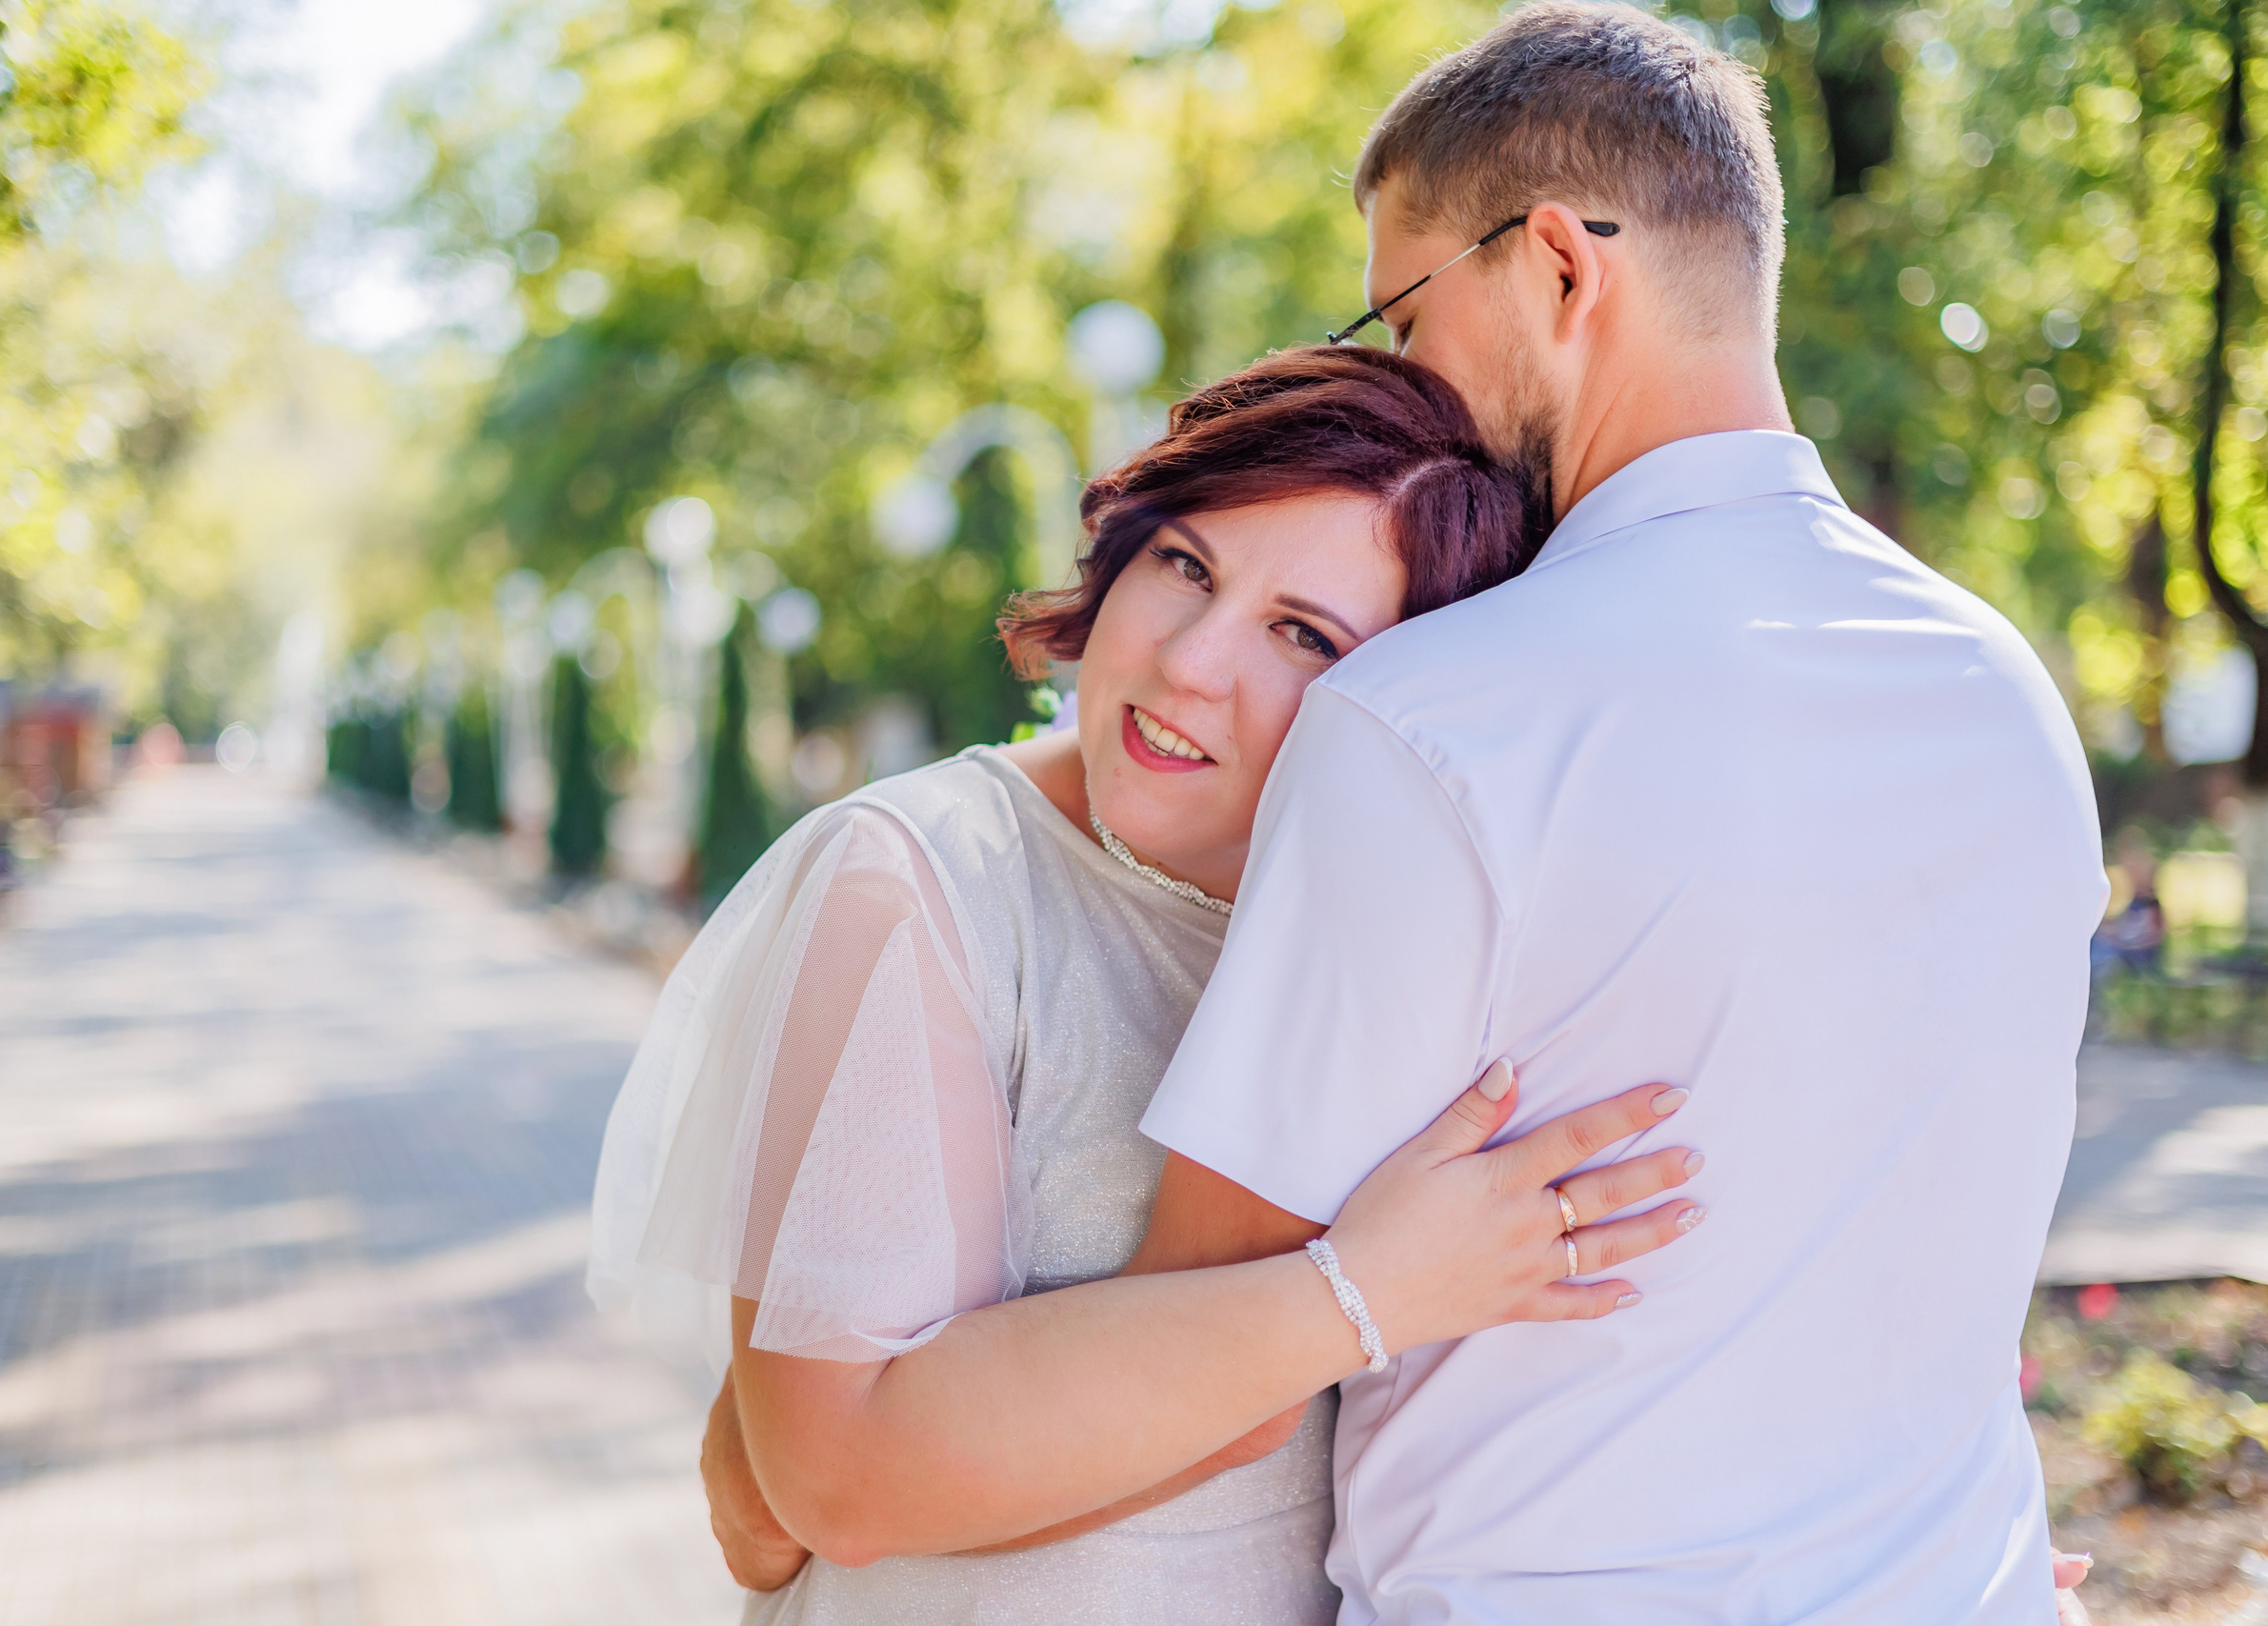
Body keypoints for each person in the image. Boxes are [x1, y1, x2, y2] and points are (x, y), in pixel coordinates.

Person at [1119, 5, 2110, 1623]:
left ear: (1561, 267)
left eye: (1406, 316)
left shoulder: (1436, 719)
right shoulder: (2006, 696)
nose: (1405, 386)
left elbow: (1190, 1374)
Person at [589, 345, 1706, 1623]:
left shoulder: (1430, 939)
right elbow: (829, 1483)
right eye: (1186, 565)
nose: (1191, 660)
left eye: (1303, 634)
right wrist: (1366, 1292)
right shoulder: (916, 880)